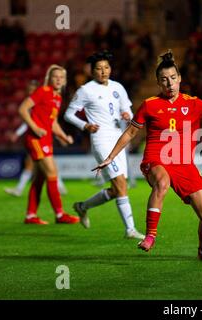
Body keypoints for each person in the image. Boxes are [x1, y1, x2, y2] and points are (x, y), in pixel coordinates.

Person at [94, 50, 202, 261]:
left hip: (184, 164)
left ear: (180, 78)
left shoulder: (193, 103)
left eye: (173, 78)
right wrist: (110, 157)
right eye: (164, 80)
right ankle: (150, 236)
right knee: (162, 183)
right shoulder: (150, 104)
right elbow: (131, 132)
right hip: (156, 159)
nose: (169, 83)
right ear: (158, 82)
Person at [64, 51, 144, 239]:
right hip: (101, 141)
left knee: (117, 190)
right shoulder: (86, 90)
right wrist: (85, 125)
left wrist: (127, 115)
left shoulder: (118, 87)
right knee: (121, 184)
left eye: (106, 67)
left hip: (119, 140)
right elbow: (69, 114)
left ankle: (82, 207)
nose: (103, 71)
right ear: (91, 71)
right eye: (99, 68)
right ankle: (130, 229)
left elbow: (129, 113)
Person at [19, 64, 79, 225]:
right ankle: (60, 215)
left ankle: (30, 216)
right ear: (49, 78)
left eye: (61, 77)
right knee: (52, 172)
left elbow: (52, 123)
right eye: (55, 77)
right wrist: (35, 128)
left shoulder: (57, 98)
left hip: (46, 139)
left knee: (39, 178)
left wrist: (63, 137)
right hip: (35, 139)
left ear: (64, 80)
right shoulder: (43, 91)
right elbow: (23, 109)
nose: (58, 79)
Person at [5, 80, 68, 197]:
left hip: (41, 137)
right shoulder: (32, 103)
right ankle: (59, 187)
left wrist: (60, 136)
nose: (30, 91)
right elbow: (29, 122)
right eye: (28, 89)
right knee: (37, 164)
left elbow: (50, 121)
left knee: (42, 164)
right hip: (35, 137)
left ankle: (57, 189)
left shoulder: (40, 102)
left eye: (32, 89)